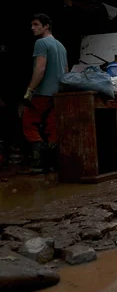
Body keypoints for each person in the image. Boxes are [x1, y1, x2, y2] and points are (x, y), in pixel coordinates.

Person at [22, 14, 68, 173]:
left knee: (29, 123)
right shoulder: (61, 46)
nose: (32, 28)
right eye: (32, 25)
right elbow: (66, 72)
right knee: (52, 128)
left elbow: (40, 68)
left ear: (46, 26)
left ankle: (37, 164)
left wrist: (30, 90)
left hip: (42, 94)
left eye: (36, 24)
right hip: (57, 95)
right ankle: (52, 164)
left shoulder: (41, 43)